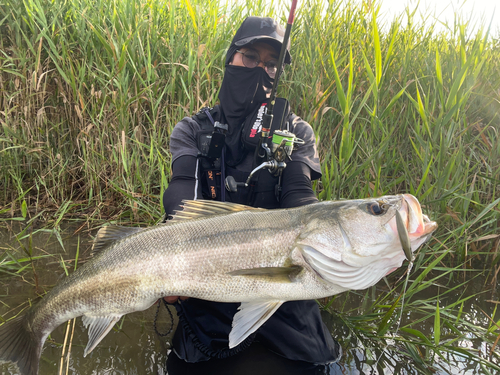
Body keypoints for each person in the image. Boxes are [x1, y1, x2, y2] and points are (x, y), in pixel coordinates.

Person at [161, 16, 341, 374]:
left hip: (284, 288)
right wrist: (171, 270)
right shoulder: (193, 129)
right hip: (208, 285)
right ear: (230, 59)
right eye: (250, 57)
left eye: (271, 64)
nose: (261, 69)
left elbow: (299, 195)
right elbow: (182, 202)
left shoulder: (295, 131)